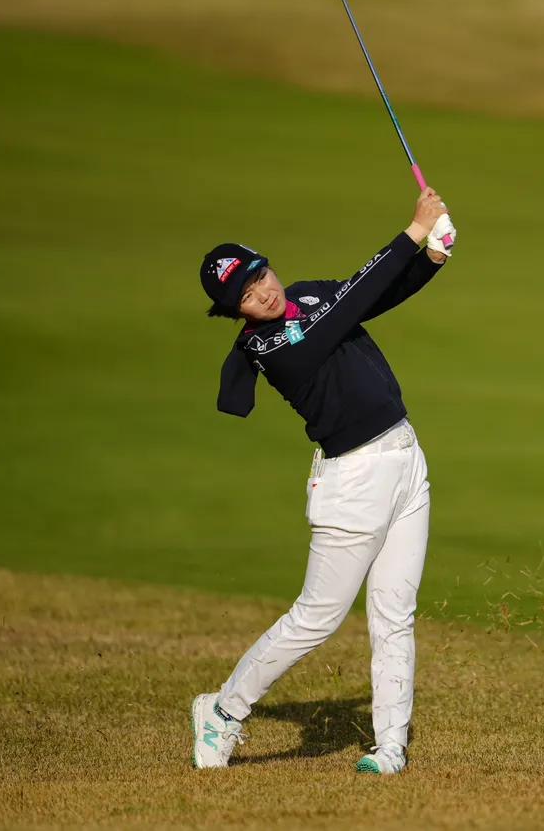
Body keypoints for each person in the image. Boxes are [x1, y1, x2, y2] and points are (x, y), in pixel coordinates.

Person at [190, 187, 457, 775]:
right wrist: (413, 231)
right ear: (235, 311)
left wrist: (432, 258)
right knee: (317, 617)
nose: (264, 292)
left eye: (260, 276)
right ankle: (224, 710)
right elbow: (349, 303)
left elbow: (375, 295)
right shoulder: (266, 348)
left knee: (395, 612)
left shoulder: (308, 294)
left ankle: (390, 746)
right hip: (354, 480)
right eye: (246, 295)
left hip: (405, 458)